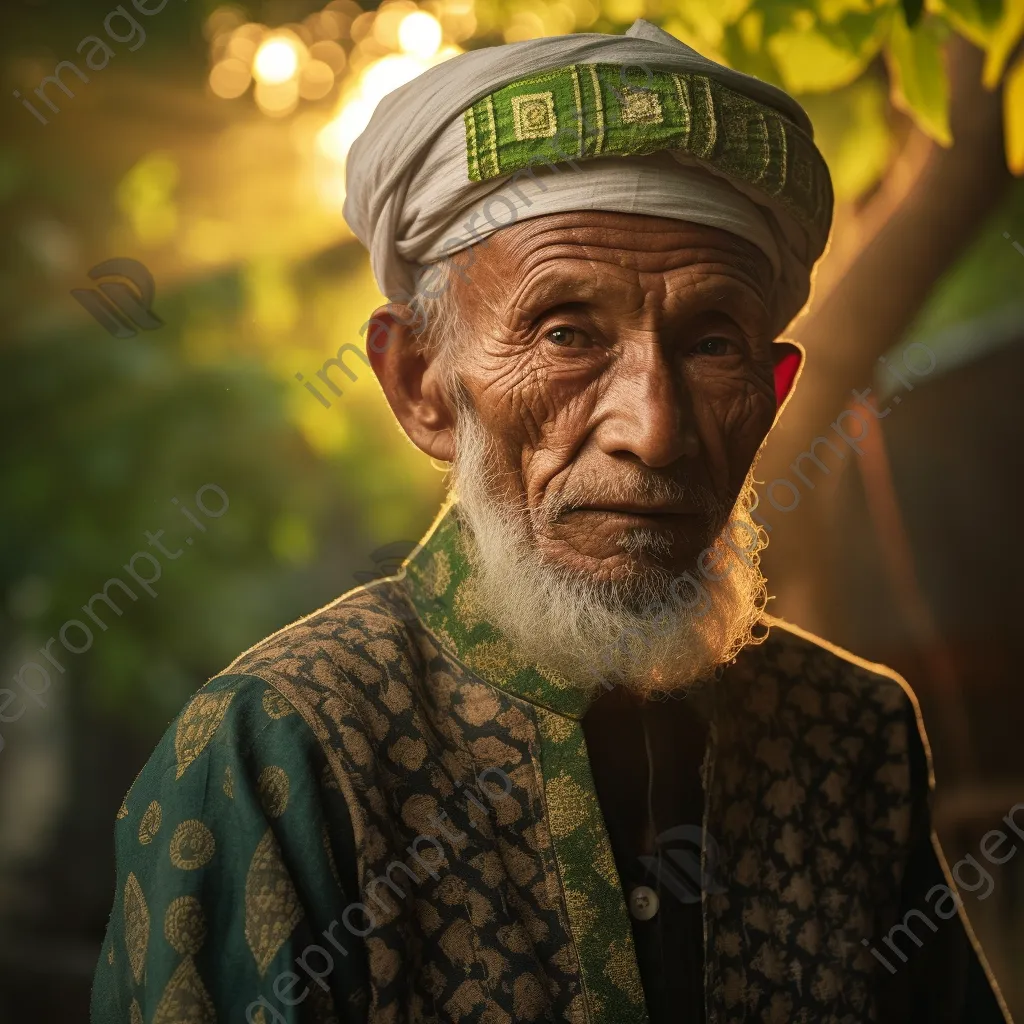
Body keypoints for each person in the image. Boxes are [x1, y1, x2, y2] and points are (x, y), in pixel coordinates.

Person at [91, 19, 1010, 1024]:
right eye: (566, 332)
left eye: (710, 344)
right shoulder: (277, 750)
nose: (653, 432)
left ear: (773, 391)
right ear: (419, 383)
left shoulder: (854, 735)